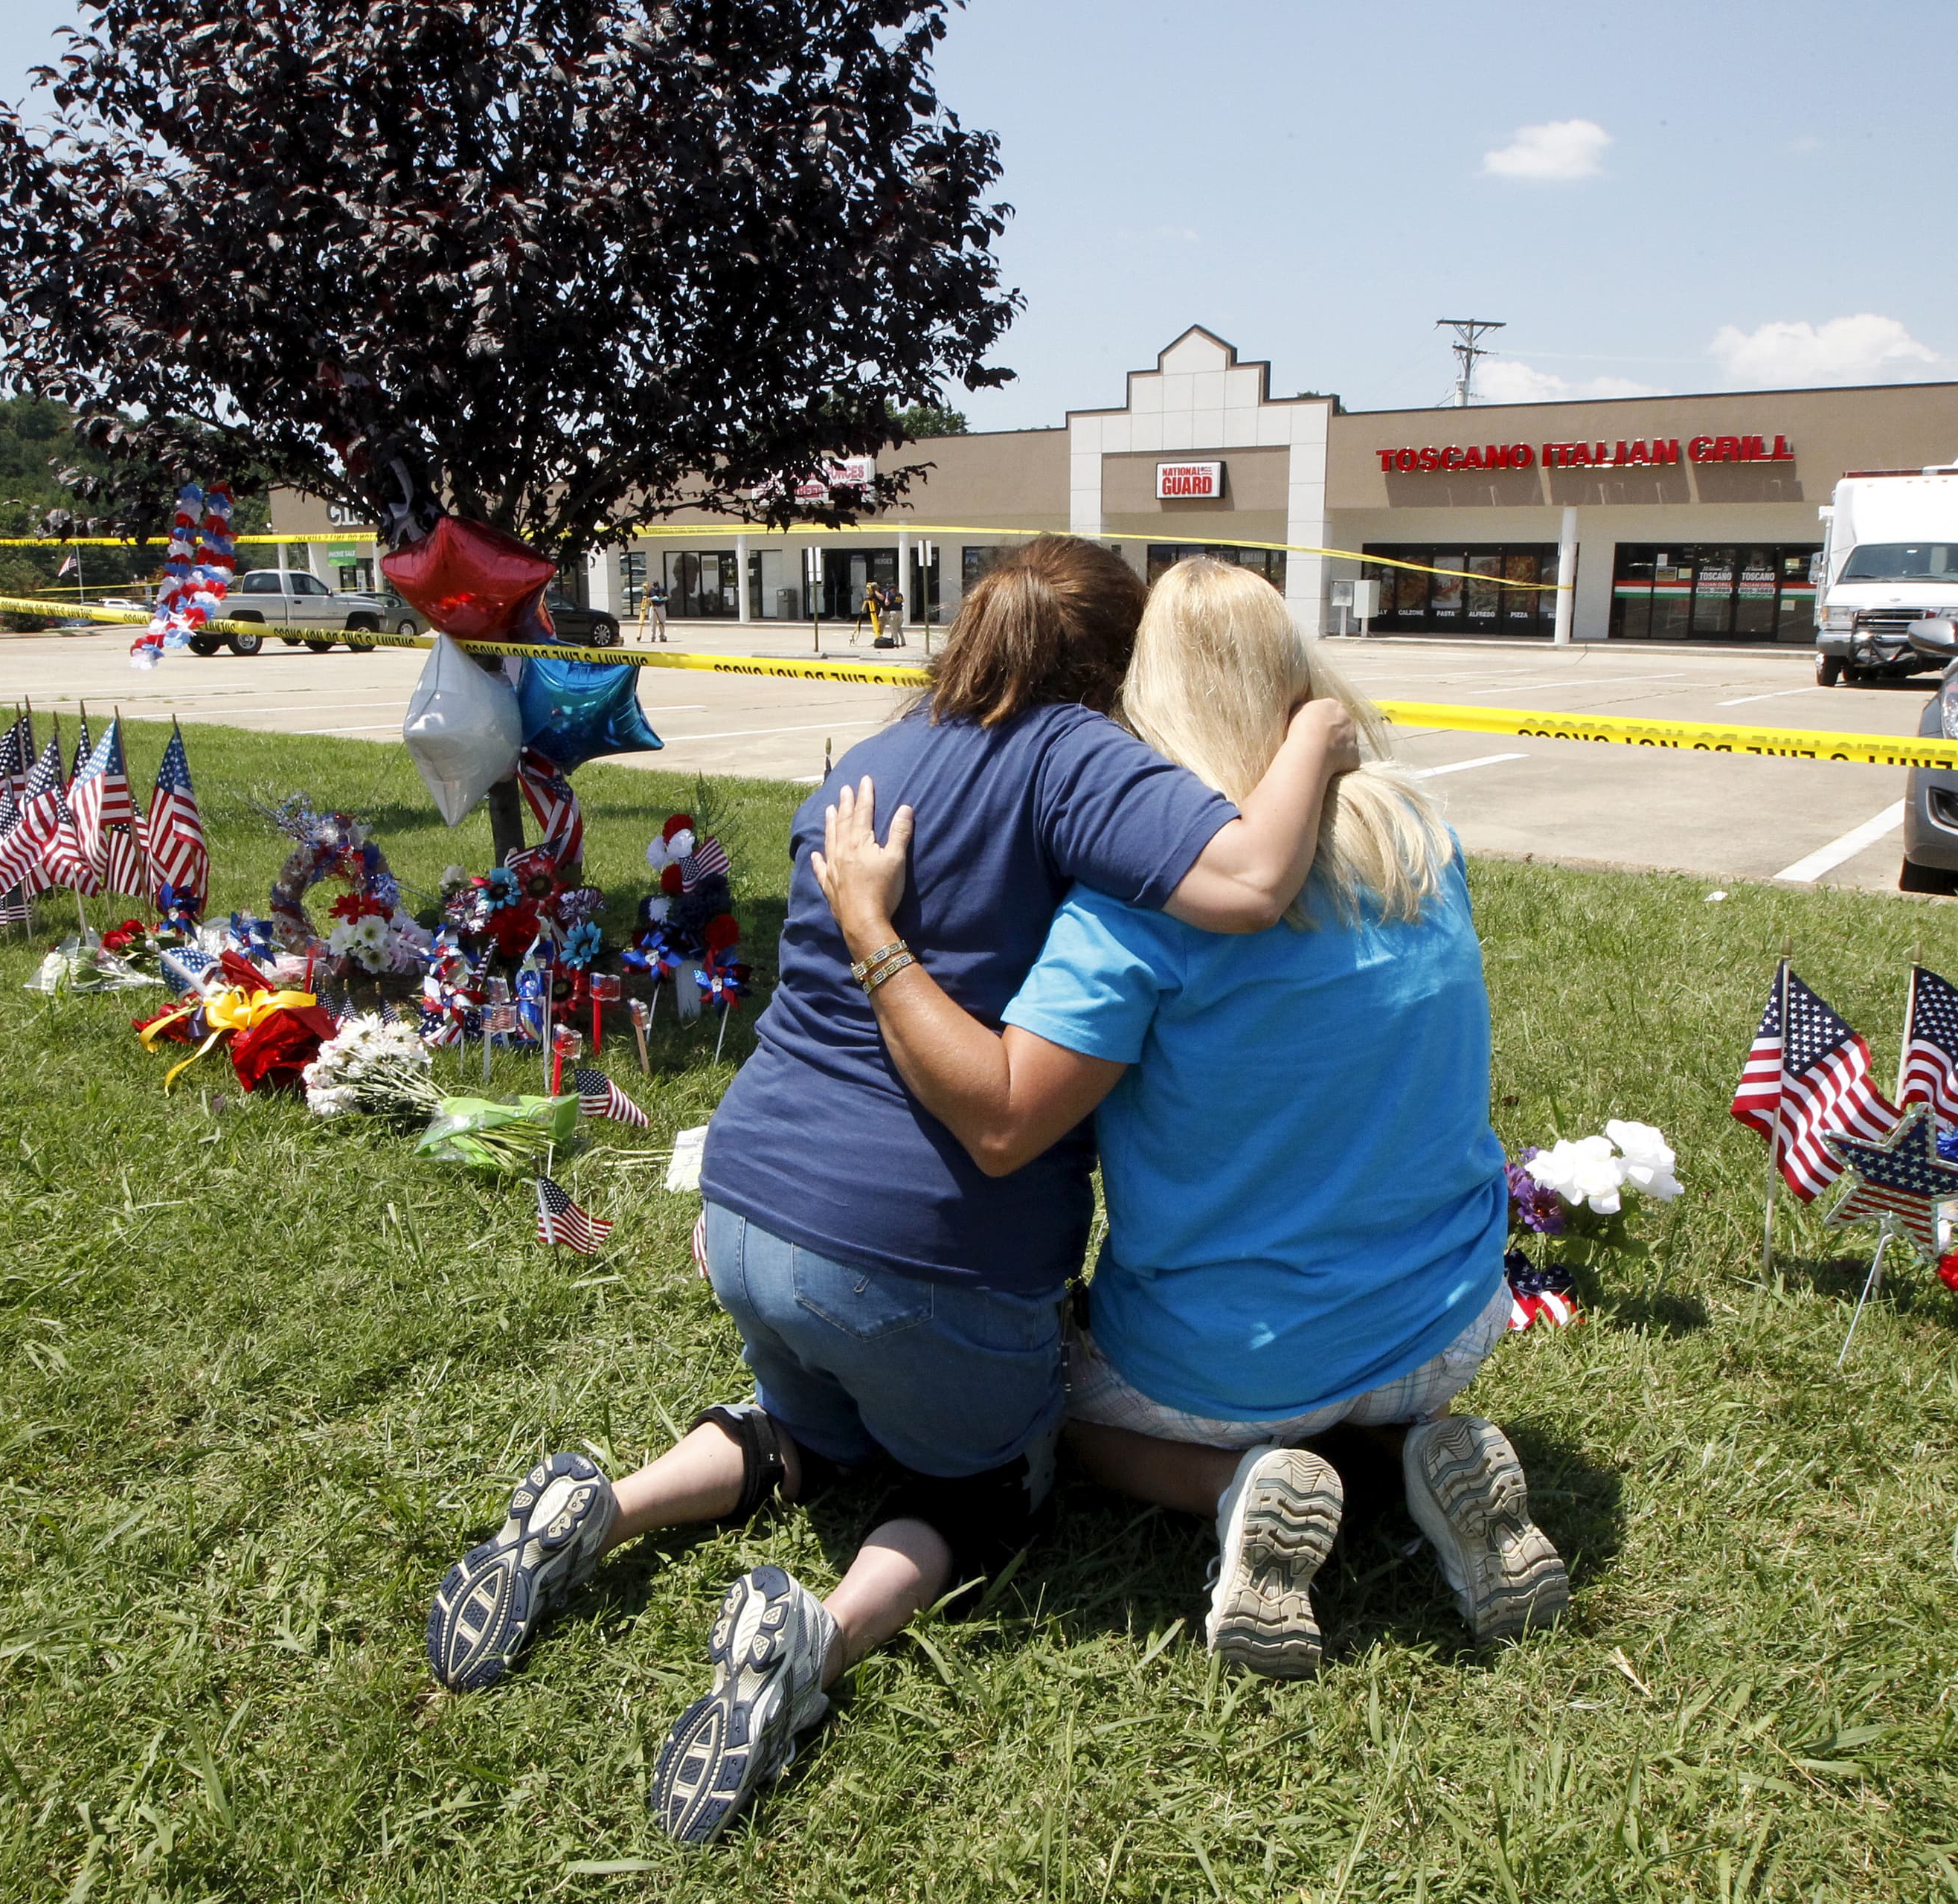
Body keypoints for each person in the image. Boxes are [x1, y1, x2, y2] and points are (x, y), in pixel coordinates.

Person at [423, 536, 1360, 1842]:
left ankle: (605, 1502)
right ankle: (817, 1639)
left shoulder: (870, 763)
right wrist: (1318, 729)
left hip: (747, 1205)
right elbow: (1253, 882)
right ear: (1107, 662)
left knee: (815, 1427)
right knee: (981, 1485)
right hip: (918, 1246)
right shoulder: (1071, 754)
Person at [807, 556, 1569, 1681]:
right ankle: (1415, 1452)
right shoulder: (1420, 842)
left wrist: (875, 935)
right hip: (1450, 1320)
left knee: (1040, 1405)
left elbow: (1006, 1119)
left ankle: (1241, 1488)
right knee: (1347, 1356)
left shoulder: (1137, 911)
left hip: (1232, 1367)